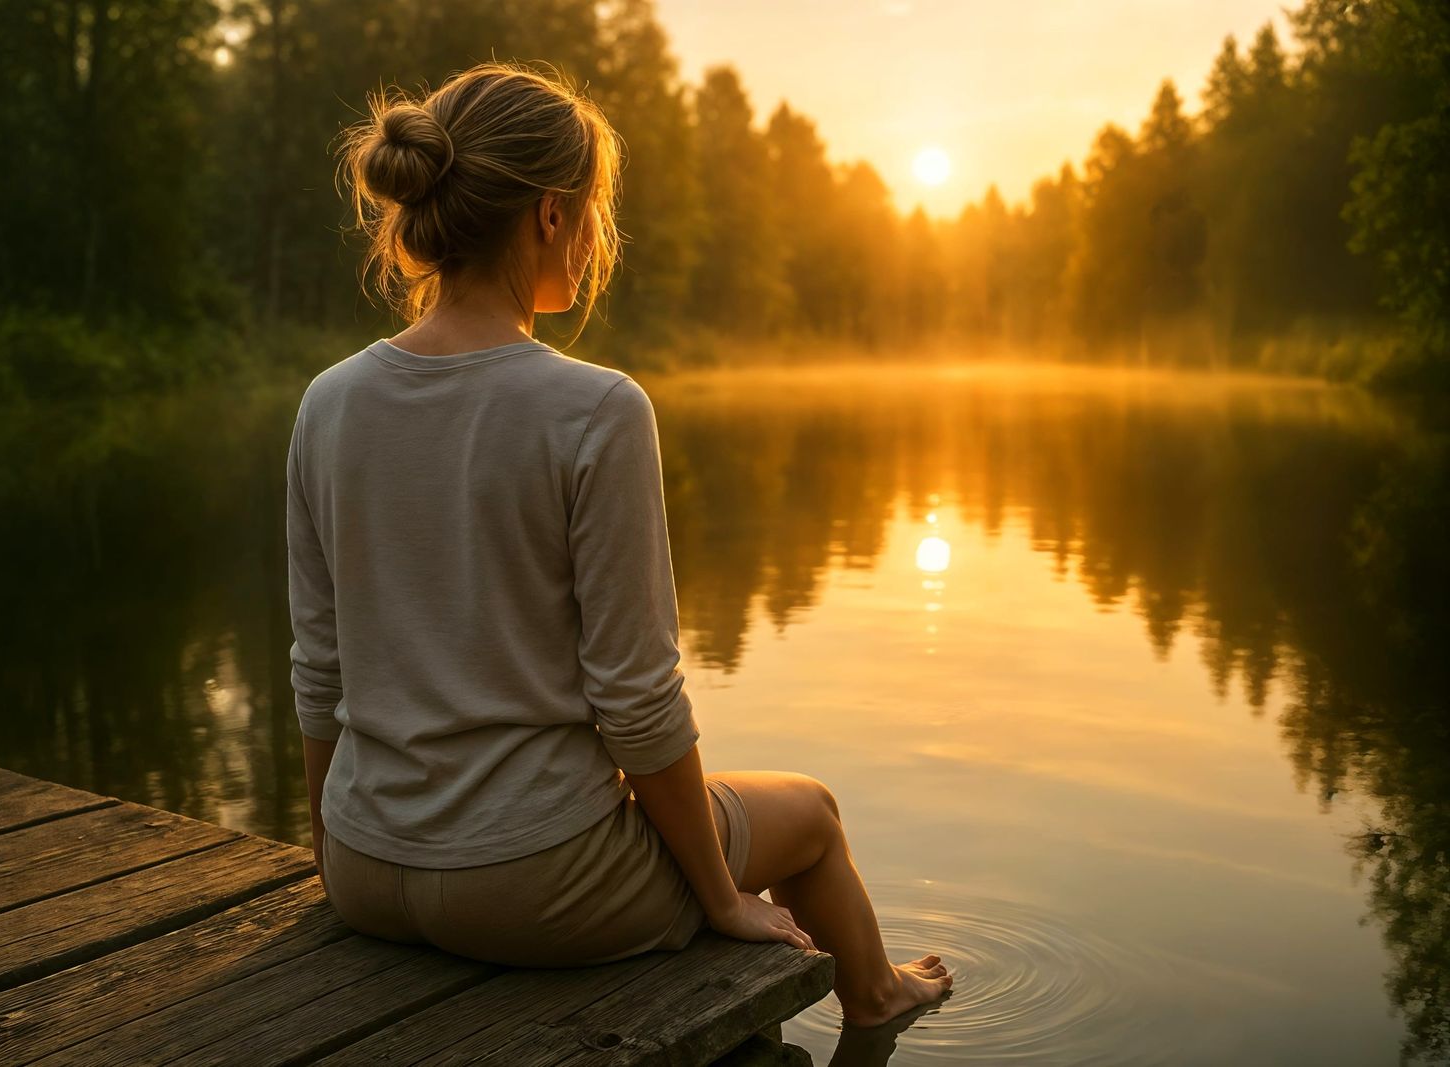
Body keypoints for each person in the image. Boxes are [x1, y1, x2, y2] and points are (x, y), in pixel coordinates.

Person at [285, 59, 952, 1028]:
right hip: (534, 885)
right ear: (551, 217)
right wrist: (721, 897)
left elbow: (318, 667)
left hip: (363, 868)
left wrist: (335, 852)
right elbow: (636, 703)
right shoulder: (594, 409)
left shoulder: (327, 403)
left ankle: (872, 996)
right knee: (810, 812)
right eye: (593, 209)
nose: (598, 235)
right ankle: (880, 997)